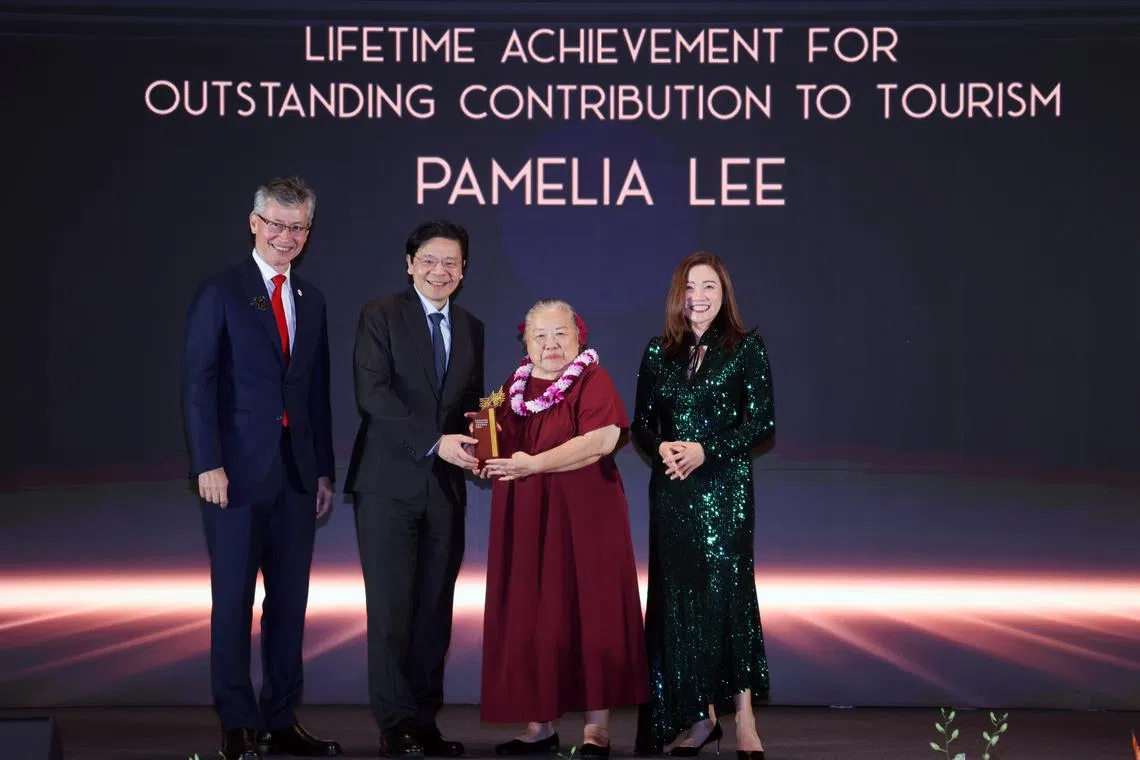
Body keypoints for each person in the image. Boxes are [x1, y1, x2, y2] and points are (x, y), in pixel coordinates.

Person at [182, 176, 340, 760]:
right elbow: (197, 385)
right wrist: (208, 463)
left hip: (297, 478)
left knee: (288, 606)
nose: (286, 235)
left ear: (308, 232)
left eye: (297, 226)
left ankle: (280, 718)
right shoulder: (221, 291)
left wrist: (322, 469)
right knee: (233, 602)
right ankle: (236, 722)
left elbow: (315, 393)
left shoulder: (313, 300)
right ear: (254, 224)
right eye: (275, 223)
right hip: (235, 478)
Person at [478, 299, 649, 757]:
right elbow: (486, 427)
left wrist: (535, 463)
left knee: (591, 612)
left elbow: (601, 441)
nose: (551, 344)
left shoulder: (593, 379)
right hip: (528, 516)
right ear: (526, 343)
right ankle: (540, 726)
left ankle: (597, 730)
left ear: (578, 340)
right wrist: (479, 455)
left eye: (560, 335)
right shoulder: (510, 387)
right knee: (535, 612)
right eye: (540, 335)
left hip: (586, 515)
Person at [344, 220, 484, 757]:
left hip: (446, 488)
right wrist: (435, 442)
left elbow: (471, 404)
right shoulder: (380, 314)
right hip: (387, 484)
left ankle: (425, 721)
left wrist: (482, 446)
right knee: (391, 608)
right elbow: (372, 394)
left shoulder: (472, 326)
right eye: (429, 259)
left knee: (433, 610)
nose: (439, 270)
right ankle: (395, 723)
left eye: (451, 262)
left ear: (464, 271)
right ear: (409, 263)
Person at [632, 253, 776, 760]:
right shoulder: (659, 352)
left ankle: (744, 721)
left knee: (728, 600)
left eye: (709, 284)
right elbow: (642, 424)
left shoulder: (746, 347)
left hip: (723, 493)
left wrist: (704, 449)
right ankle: (697, 720)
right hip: (672, 494)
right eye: (690, 285)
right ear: (679, 294)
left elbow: (761, 424)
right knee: (677, 608)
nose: (700, 294)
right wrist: (664, 446)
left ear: (724, 292)